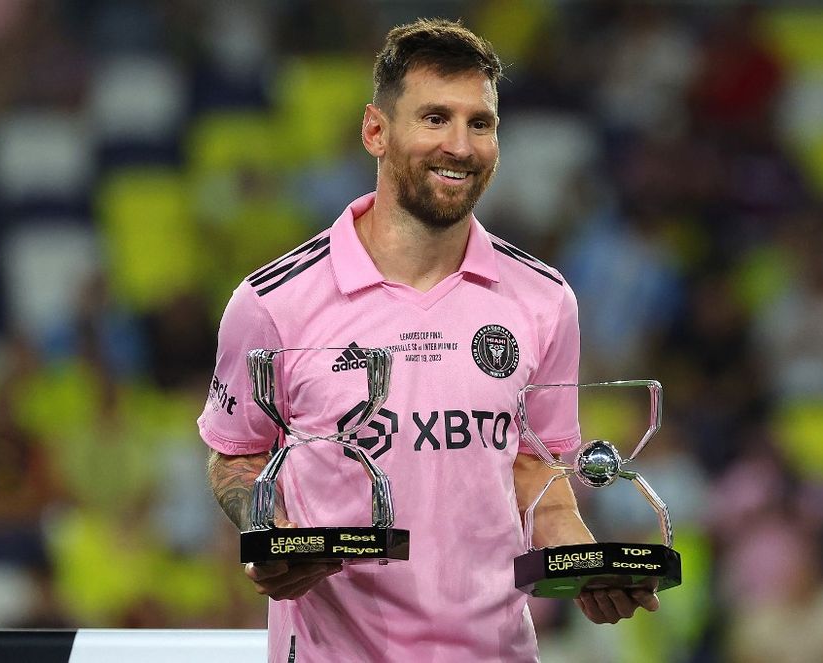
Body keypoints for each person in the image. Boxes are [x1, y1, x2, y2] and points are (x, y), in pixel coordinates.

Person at [199, 18, 659, 662]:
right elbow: (237, 454)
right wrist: (266, 530)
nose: (461, 146)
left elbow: (535, 467)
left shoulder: (544, 300)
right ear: (375, 131)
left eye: (480, 123)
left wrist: (583, 563)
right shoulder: (271, 303)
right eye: (435, 118)